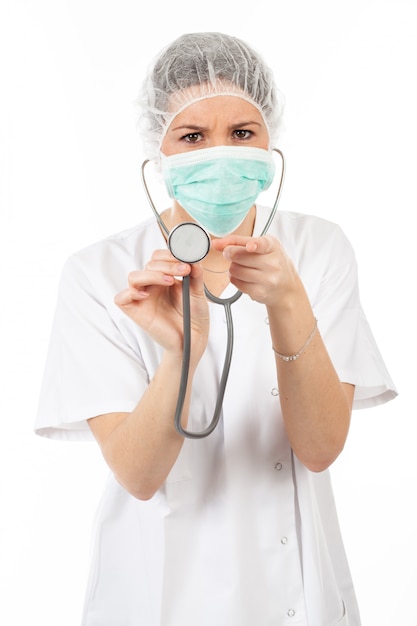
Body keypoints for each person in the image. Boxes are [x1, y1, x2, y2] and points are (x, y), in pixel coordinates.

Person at [35, 32, 397, 626]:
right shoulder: (98, 273)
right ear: (161, 149)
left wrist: (288, 301)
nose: (221, 155)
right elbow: (138, 475)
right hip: (155, 595)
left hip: (297, 598)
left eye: (243, 133)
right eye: (193, 136)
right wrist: (183, 351)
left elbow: (320, 448)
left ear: (270, 140)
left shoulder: (318, 249)